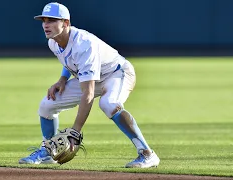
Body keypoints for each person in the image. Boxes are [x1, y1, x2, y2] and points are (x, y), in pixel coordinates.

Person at [19, 2, 160, 168]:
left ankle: (147, 154)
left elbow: (88, 94)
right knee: (47, 105)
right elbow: (70, 61)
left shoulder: (84, 44)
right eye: (44, 20)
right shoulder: (53, 42)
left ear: (65, 23)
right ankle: (48, 151)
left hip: (117, 73)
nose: (46, 25)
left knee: (109, 104)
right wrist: (62, 79)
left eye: (51, 20)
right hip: (92, 77)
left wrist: (75, 132)